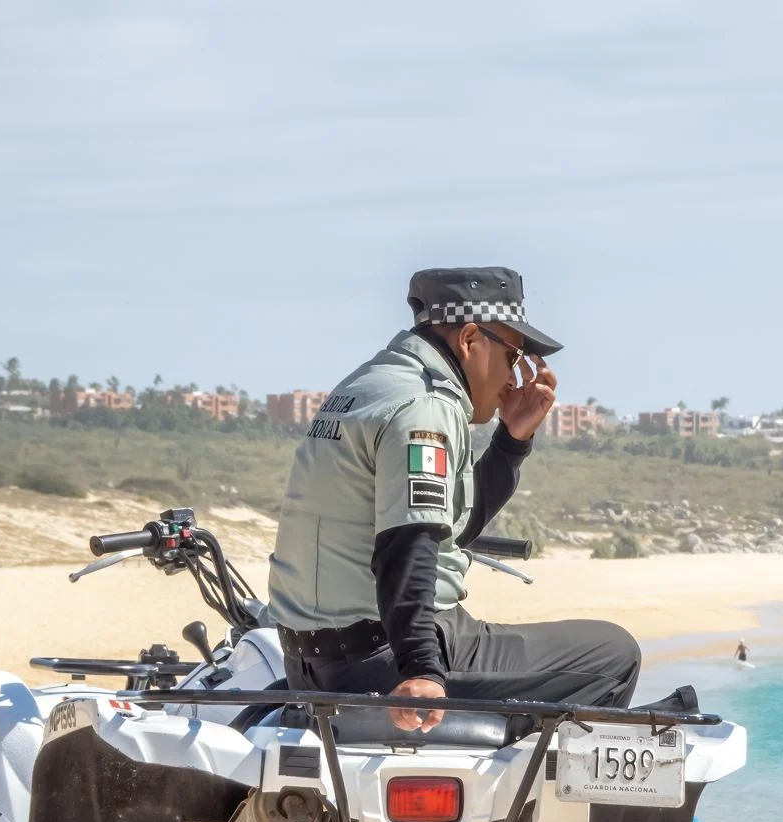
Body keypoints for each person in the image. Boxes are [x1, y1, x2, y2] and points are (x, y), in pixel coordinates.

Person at [268, 267, 638, 730]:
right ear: (468, 339)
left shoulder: (369, 385)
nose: (513, 377)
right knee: (614, 653)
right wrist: (421, 670)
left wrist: (512, 440)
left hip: (311, 661)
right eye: (513, 354)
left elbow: (451, 526)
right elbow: (409, 545)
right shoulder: (427, 406)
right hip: (382, 658)